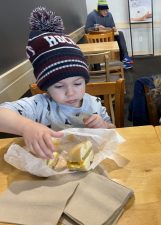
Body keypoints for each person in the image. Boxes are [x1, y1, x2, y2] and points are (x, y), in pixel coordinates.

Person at [0, 7, 115, 159]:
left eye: (77, 83)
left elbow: (113, 130)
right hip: (51, 168)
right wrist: (27, 127)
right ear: (46, 87)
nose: (70, 92)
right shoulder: (40, 106)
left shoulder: (94, 104)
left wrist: (105, 126)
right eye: (59, 86)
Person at [85, 0, 133, 69]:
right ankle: (97, 65)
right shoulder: (91, 15)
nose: (106, 12)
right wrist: (96, 28)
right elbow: (86, 29)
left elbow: (112, 26)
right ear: (99, 10)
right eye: (104, 10)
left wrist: (114, 28)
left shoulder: (109, 15)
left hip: (109, 38)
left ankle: (125, 58)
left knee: (120, 33)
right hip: (97, 40)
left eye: (107, 10)